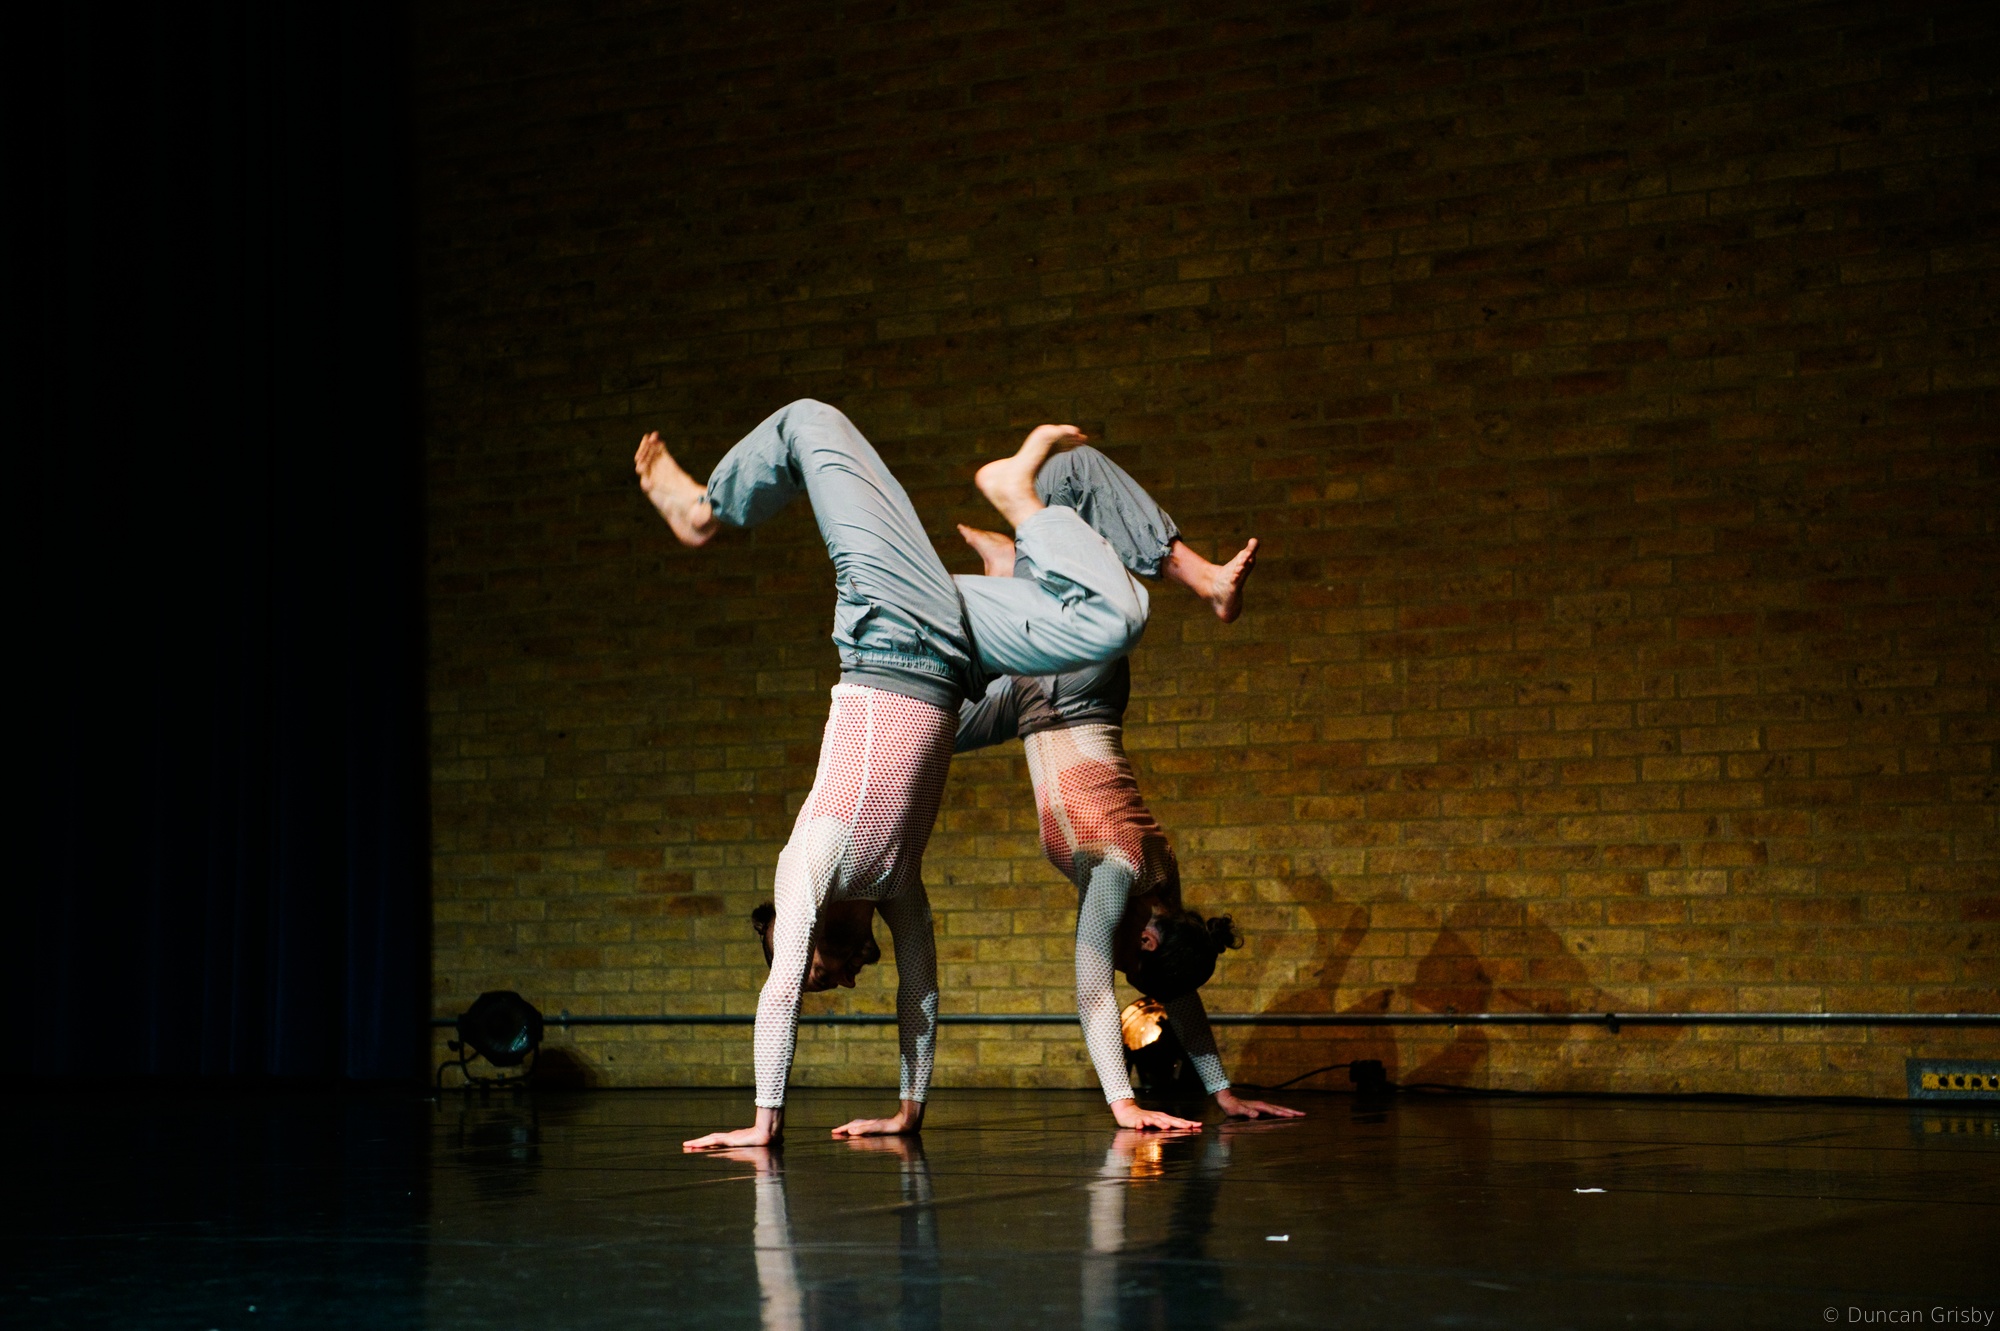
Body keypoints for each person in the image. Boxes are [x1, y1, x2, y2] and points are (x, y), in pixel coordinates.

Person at [635, 400, 1151, 1152]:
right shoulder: (895, 883)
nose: (834, 975)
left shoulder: (812, 856)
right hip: (962, 654)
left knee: (810, 419)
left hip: (890, 622)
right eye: (832, 979)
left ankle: (703, 510)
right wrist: (908, 1110)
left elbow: (780, 990)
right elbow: (921, 990)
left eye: (816, 970)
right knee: (1117, 619)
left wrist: (764, 1120)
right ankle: (1018, 518)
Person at [952, 446, 1301, 1130]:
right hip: (1077, 694)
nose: (1123, 970)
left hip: (1027, 709)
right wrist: (1125, 1104)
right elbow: (1091, 989)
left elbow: (1182, 994)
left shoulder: (1165, 904)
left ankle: (1010, 570)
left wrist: (1222, 1091)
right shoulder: (1117, 875)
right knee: (1070, 474)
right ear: (1145, 940)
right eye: (1134, 968)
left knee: (917, 719)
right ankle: (1199, 577)